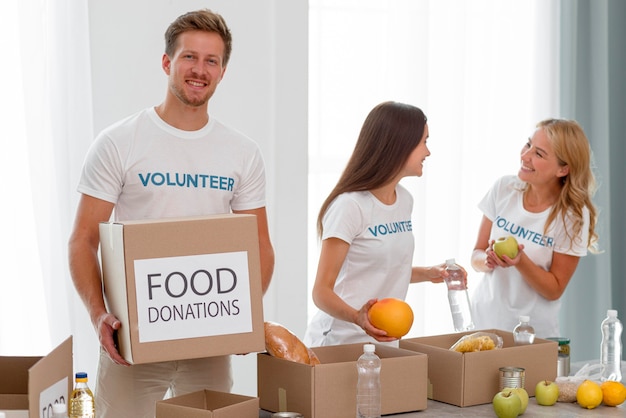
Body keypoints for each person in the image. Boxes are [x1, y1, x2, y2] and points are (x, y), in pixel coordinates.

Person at [67, 9, 274, 417]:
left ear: (222, 70)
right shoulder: (119, 142)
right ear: (167, 62)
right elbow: (83, 239)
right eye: (189, 57)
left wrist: (244, 316)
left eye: (211, 60)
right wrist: (97, 316)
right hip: (133, 338)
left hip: (207, 337)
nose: (200, 70)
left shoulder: (242, 152)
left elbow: (259, 245)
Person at [303, 101, 460, 347]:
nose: (427, 152)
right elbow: (321, 292)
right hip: (339, 342)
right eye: (424, 142)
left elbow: (381, 269)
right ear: (400, 145)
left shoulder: (405, 200)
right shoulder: (350, 206)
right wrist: (357, 317)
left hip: (384, 342)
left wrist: (429, 273)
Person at [470, 118, 599, 338]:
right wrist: (487, 260)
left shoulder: (573, 216)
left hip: (530, 334)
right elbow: (476, 255)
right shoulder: (504, 188)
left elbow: (554, 289)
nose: (525, 156)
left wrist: (520, 261)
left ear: (563, 169)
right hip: (483, 322)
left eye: (538, 154)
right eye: (528, 145)